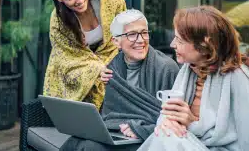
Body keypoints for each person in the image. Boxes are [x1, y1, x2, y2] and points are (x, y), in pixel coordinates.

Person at [138, 6, 249, 151]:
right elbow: (168, 116)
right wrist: (167, 123)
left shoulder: (237, 78)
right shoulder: (188, 71)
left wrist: (191, 123)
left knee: (168, 140)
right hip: (192, 143)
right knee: (165, 135)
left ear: (205, 44)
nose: (172, 44)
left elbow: (245, 141)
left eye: (179, 40)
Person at [60, 9, 179, 151]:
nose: (140, 40)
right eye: (132, 35)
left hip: (150, 138)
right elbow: (111, 115)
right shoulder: (113, 68)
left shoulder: (166, 68)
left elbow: (174, 120)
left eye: (144, 33)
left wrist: (139, 130)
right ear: (116, 41)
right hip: (119, 134)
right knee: (80, 143)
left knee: (90, 148)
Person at [43, 0, 126, 110]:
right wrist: (96, 69)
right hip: (76, 64)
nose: (80, 0)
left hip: (111, 56)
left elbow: (125, 30)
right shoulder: (58, 21)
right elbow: (67, 57)